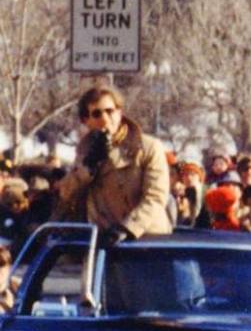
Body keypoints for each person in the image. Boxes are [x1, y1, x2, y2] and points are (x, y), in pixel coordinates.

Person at [53, 84, 171, 240]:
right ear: (86, 120)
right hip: (104, 239)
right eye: (96, 114)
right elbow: (67, 194)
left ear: (120, 112)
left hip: (146, 237)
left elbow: (155, 197)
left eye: (110, 111)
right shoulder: (84, 151)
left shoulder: (147, 147)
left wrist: (128, 228)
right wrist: (88, 167)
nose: (105, 119)